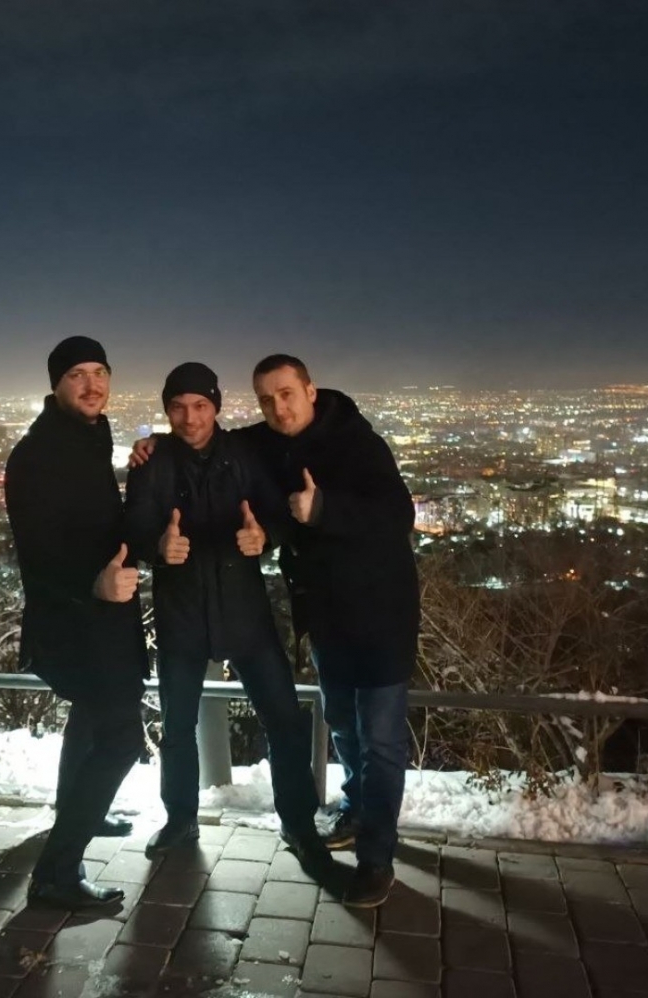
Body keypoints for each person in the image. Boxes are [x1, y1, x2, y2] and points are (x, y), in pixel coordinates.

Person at [125, 362, 331, 875]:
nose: (190, 418)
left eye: (200, 405)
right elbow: (134, 527)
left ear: (216, 406)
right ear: (165, 410)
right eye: (177, 407)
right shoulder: (152, 462)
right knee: (177, 726)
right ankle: (180, 819)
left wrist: (264, 536)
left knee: (284, 719)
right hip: (182, 614)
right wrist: (158, 546)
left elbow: (278, 514)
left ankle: (300, 825)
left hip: (244, 611)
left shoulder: (244, 453)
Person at [246, 354, 420, 908]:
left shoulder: (356, 442)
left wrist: (322, 507)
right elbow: (216, 442)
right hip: (328, 618)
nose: (279, 408)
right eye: (267, 399)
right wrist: (157, 443)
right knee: (343, 724)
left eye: (287, 394)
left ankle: (376, 860)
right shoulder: (269, 442)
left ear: (311, 391)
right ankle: (357, 810)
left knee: (382, 741)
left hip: (382, 615)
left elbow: (398, 514)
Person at [5, 335, 148, 910]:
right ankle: (57, 873)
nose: (92, 385)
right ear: (56, 384)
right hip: (77, 621)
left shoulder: (90, 436)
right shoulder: (37, 455)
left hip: (103, 617)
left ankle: (80, 814)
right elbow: (37, 554)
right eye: (77, 375)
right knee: (122, 739)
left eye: (100, 372)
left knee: (91, 720)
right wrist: (93, 585)